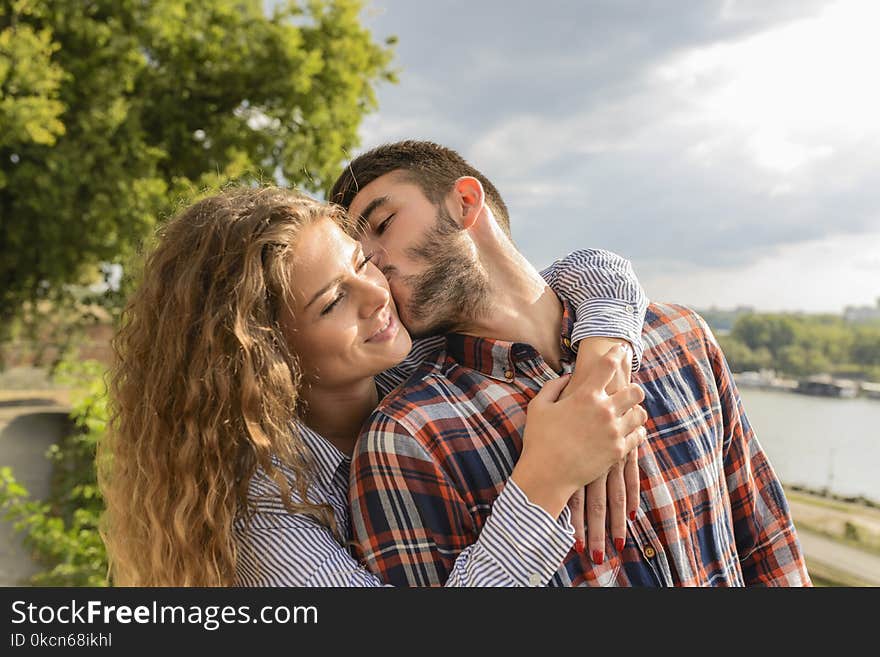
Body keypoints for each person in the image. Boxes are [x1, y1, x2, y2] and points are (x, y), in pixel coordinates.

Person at [98, 185, 650, 586]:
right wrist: (545, 479)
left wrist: (603, 362)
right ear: (266, 354)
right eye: (334, 301)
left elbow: (588, 271)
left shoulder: (409, 357)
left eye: (364, 261)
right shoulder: (265, 507)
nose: (377, 294)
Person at [329, 140, 812, 586]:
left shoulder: (682, 338)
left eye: (383, 224)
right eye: (359, 258)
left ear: (465, 203)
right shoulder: (405, 439)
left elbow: (768, 546)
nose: (373, 261)